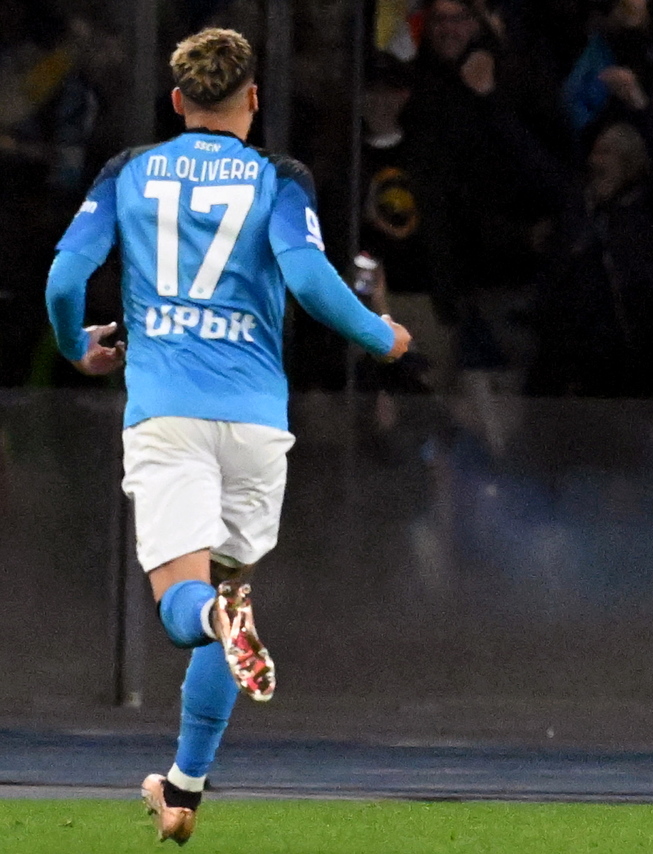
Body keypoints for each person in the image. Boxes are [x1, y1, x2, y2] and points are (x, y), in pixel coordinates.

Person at [43, 28, 411, 844]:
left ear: (178, 101)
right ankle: (183, 791)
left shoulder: (128, 171)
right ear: (253, 99)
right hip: (255, 422)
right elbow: (309, 277)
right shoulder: (280, 176)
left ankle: (219, 621)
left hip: (169, 414)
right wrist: (379, 333)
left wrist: (75, 346)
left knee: (191, 608)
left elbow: (65, 277)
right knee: (231, 589)